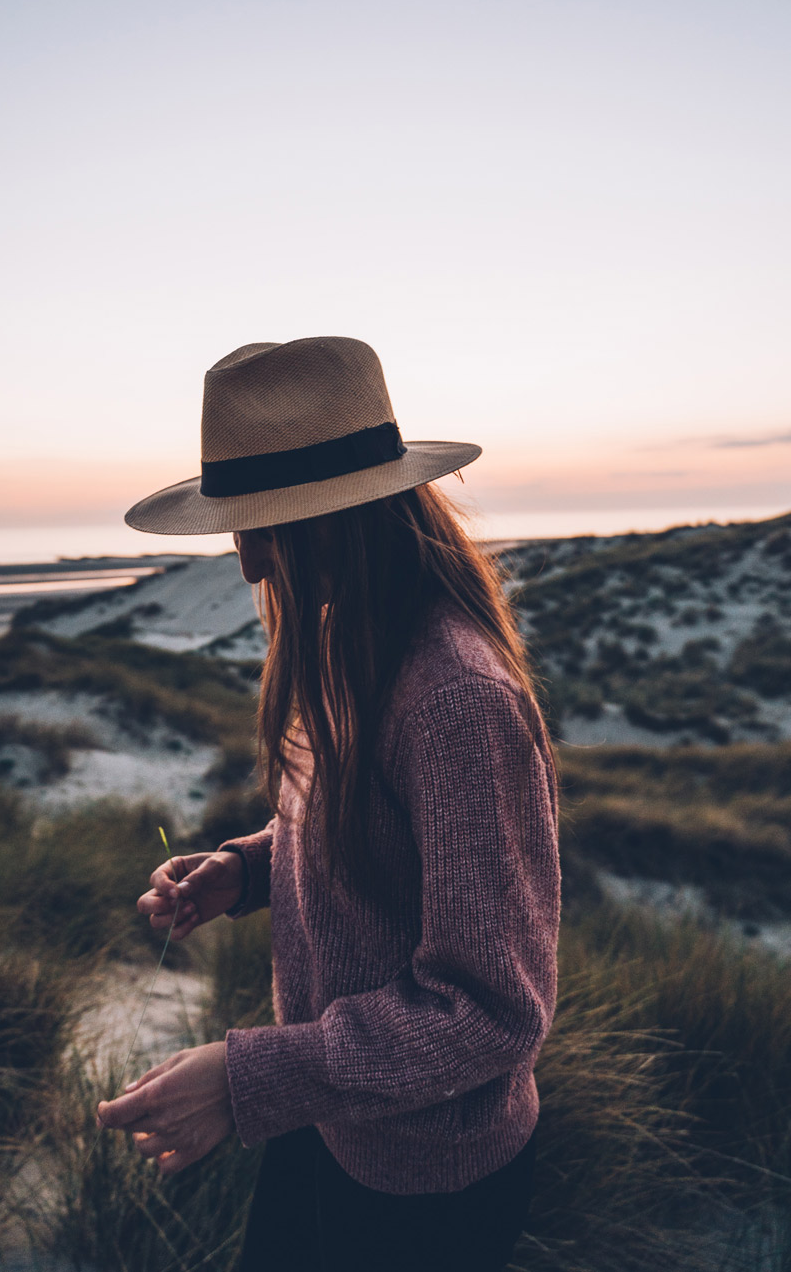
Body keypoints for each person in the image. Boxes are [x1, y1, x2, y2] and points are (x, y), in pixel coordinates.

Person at [93, 337, 559, 1272]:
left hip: (426, 1181)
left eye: (262, 527)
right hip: (334, 1115)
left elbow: (491, 1007)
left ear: (334, 522)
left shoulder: (454, 696)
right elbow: (368, 827)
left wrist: (246, 1079)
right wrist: (246, 867)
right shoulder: (352, 641)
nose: (249, 567)